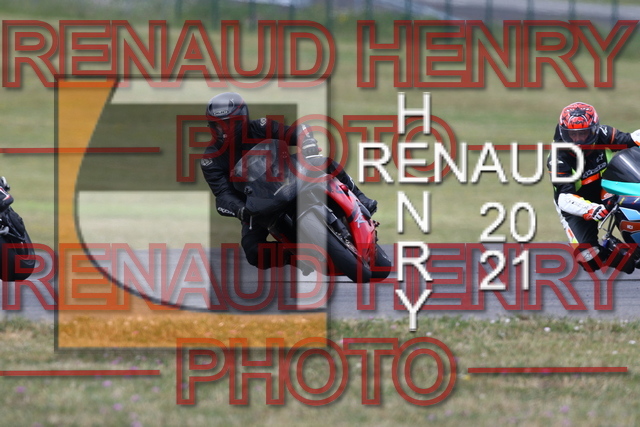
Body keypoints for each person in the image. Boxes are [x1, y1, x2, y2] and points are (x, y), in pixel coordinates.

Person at [200, 92, 377, 270]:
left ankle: (361, 198)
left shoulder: (261, 126)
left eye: (229, 124)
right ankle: (299, 257)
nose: (224, 130)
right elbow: (222, 195)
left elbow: (296, 131)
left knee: (321, 161)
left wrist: (307, 142)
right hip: (256, 206)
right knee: (253, 252)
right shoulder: (211, 159)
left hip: (289, 178)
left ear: (243, 119)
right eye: (218, 126)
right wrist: (240, 209)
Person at [547, 101, 640, 271]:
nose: (578, 140)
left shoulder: (603, 134)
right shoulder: (558, 158)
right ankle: (615, 251)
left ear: (594, 130)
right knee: (589, 259)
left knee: (633, 201)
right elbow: (563, 198)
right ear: (563, 132)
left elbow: (631, 139)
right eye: (572, 135)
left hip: (607, 189)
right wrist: (591, 209)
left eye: (583, 134)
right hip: (577, 203)